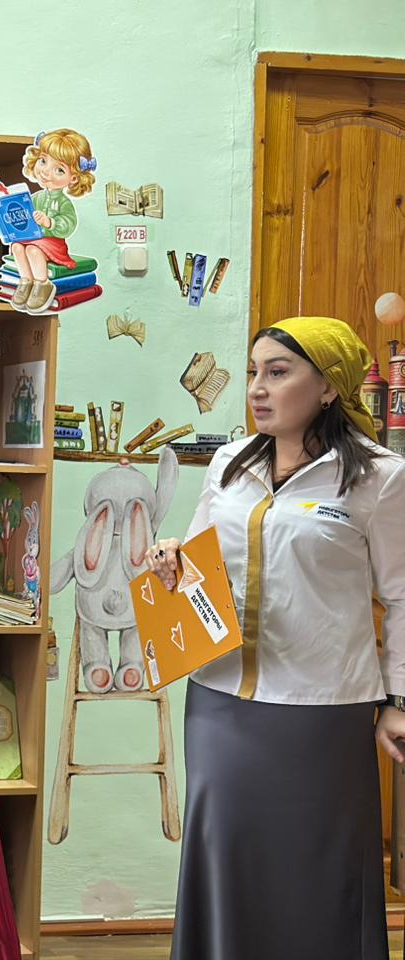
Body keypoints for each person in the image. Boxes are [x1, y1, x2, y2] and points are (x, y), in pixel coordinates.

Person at [148, 317, 405, 960]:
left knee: (319, 872)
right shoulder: (231, 462)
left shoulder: (381, 477)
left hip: (323, 711)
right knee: (225, 854)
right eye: (254, 372)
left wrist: (398, 701)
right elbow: (199, 556)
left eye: (278, 372)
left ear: (329, 386)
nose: (257, 388)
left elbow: (403, 597)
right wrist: (170, 555)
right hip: (219, 701)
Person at [7, 128, 96, 313]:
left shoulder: (64, 202)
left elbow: (69, 223)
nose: (46, 172)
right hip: (34, 237)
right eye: (43, 161)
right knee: (16, 247)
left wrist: (50, 223)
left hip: (53, 243)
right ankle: (26, 281)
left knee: (32, 250)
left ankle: (42, 284)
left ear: (73, 178)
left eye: (59, 169)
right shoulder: (36, 197)